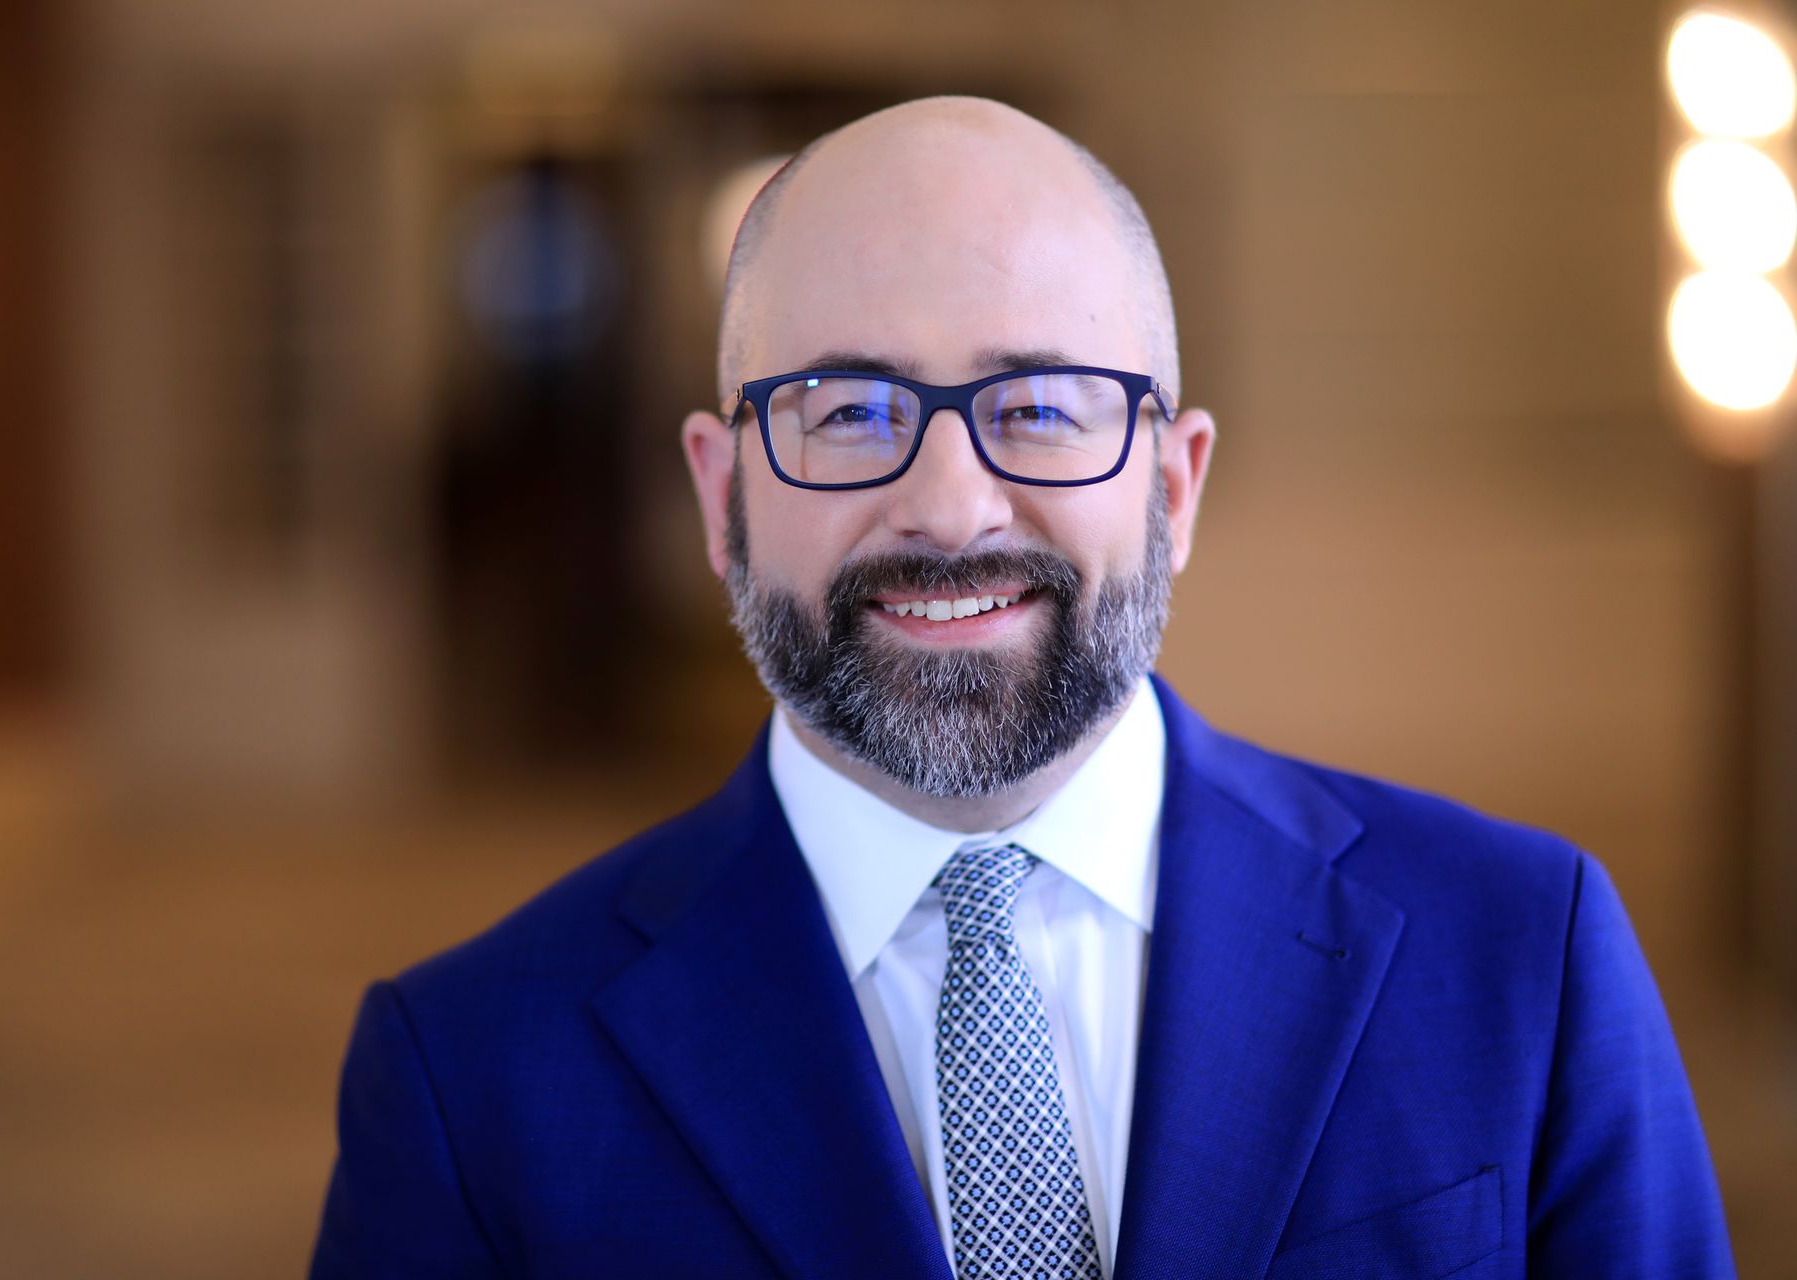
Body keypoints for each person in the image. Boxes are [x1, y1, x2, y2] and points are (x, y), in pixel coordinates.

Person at [308, 96, 1735, 1279]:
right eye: (851, 410)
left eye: (1041, 408)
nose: (949, 505)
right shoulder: (469, 1080)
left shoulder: (1522, 963)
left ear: (1175, 485)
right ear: (722, 492)